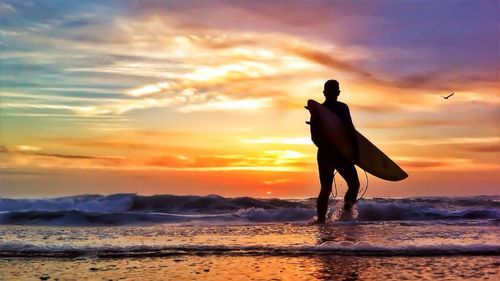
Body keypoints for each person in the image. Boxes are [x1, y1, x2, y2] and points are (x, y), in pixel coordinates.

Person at [309, 80, 360, 223]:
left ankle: (321, 221)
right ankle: (345, 215)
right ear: (338, 93)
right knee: (354, 184)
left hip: (324, 153)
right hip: (341, 153)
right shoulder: (342, 108)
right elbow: (350, 130)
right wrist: (355, 152)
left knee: (325, 188)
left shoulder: (317, 111)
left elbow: (314, 137)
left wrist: (325, 147)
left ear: (324, 93)